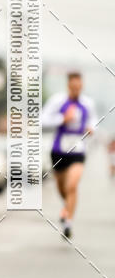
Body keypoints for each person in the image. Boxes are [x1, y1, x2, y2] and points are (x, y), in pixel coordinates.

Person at [42, 72, 97, 239]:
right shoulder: (57, 101)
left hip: (78, 150)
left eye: (79, 87)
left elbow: (94, 121)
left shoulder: (88, 103)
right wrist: (62, 119)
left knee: (72, 185)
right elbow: (42, 121)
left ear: (82, 86)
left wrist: (91, 129)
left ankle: (68, 221)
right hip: (59, 150)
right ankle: (67, 207)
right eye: (73, 87)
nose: (76, 90)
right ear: (68, 86)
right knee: (63, 188)